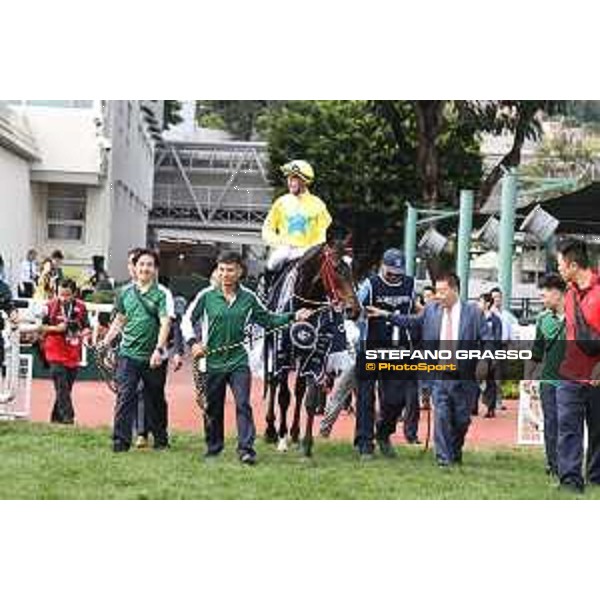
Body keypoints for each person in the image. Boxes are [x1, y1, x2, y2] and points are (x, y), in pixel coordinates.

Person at [182, 251, 311, 465]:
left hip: (239, 362)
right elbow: (186, 320)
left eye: (230, 269)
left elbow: (269, 321)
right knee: (213, 407)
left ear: (240, 271)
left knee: (243, 403)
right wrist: (193, 343)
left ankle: (246, 450)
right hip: (213, 362)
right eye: (221, 269)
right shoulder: (206, 296)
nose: (225, 274)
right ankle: (213, 448)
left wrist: (293, 316)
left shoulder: (249, 298)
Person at [379, 273, 491, 467]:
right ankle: (443, 460)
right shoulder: (431, 310)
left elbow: (489, 341)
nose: (438, 295)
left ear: (455, 290)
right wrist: (387, 316)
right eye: (436, 291)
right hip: (439, 376)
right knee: (442, 417)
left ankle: (454, 452)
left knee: (462, 421)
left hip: (465, 378)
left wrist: (485, 360)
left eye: (442, 291)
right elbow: (412, 321)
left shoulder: (473, 313)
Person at [101, 249, 172, 452]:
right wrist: (106, 342)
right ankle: (120, 441)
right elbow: (120, 320)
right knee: (125, 396)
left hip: (153, 357)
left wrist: (158, 349)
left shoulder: (162, 294)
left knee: (155, 398)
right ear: (135, 267)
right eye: (141, 264)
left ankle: (160, 438)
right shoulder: (124, 293)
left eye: (149, 265)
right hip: (128, 355)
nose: (145, 268)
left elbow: (165, 323)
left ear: (156, 269)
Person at [354, 247, 418, 459]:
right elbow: (354, 308)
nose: (394, 277)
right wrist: (361, 313)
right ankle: (365, 443)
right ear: (382, 266)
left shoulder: (410, 285)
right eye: (390, 272)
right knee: (365, 397)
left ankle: (383, 433)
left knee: (396, 399)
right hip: (370, 347)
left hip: (398, 349)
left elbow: (414, 309)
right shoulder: (370, 284)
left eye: (398, 274)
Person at [555, 239, 600, 493]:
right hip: (569, 374)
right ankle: (570, 480)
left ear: (573, 265)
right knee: (568, 428)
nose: (558, 268)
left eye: (560, 264)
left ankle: (596, 477)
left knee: (598, 431)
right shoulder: (570, 293)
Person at [525, 274, 566, 478]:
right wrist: (528, 377)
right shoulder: (542, 320)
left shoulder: (578, 317)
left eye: (544, 296)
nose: (542, 300)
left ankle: (570, 464)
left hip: (574, 381)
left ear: (557, 294)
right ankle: (553, 465)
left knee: (570, 426)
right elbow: (536, 352)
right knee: (551, 423)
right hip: (549, 381)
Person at [261, 160, 332, 276]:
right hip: (285, 249)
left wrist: (311, 249)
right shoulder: (281, 202)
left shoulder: (319, 205)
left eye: (294, 179)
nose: (289, 182)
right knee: (275, 260)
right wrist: (279, 243)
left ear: (305, 181)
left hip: (308, 251)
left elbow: (323, 234)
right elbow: (267, 228)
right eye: (288, 178)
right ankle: (265, 289)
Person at [38, 279, 90, 424]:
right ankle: (69, 418)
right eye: (61, 294)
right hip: (54, 351)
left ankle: (55, 420)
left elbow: (87, 327)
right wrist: (57, 329)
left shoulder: (81, 307)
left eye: (67, 295)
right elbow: (40, 327)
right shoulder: (50, 306)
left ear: (74, 294)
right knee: (62, 385)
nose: (63, 298)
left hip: (72, 352)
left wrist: (81, 334)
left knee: (65, 389)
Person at [490, 286, 517, 410]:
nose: (497, 300)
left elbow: (511, 330)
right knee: (494, 374)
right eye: (494, 297)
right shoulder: (489, 314)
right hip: (492, 347)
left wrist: (512, 345)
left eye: (499, 297)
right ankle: (493, 400)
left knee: (501, 374)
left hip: (504, 346)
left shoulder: (506, 315)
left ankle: (497, 400)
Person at [478, 292, 502, 418]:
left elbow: (497, 339)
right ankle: (473, 407)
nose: (478, 304)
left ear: (487, 304)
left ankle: (490, 408)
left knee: (490, 382)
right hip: (476, 354)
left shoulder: (495, 320)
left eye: (480, 301)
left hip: (490, 356)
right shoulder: (475, 318)